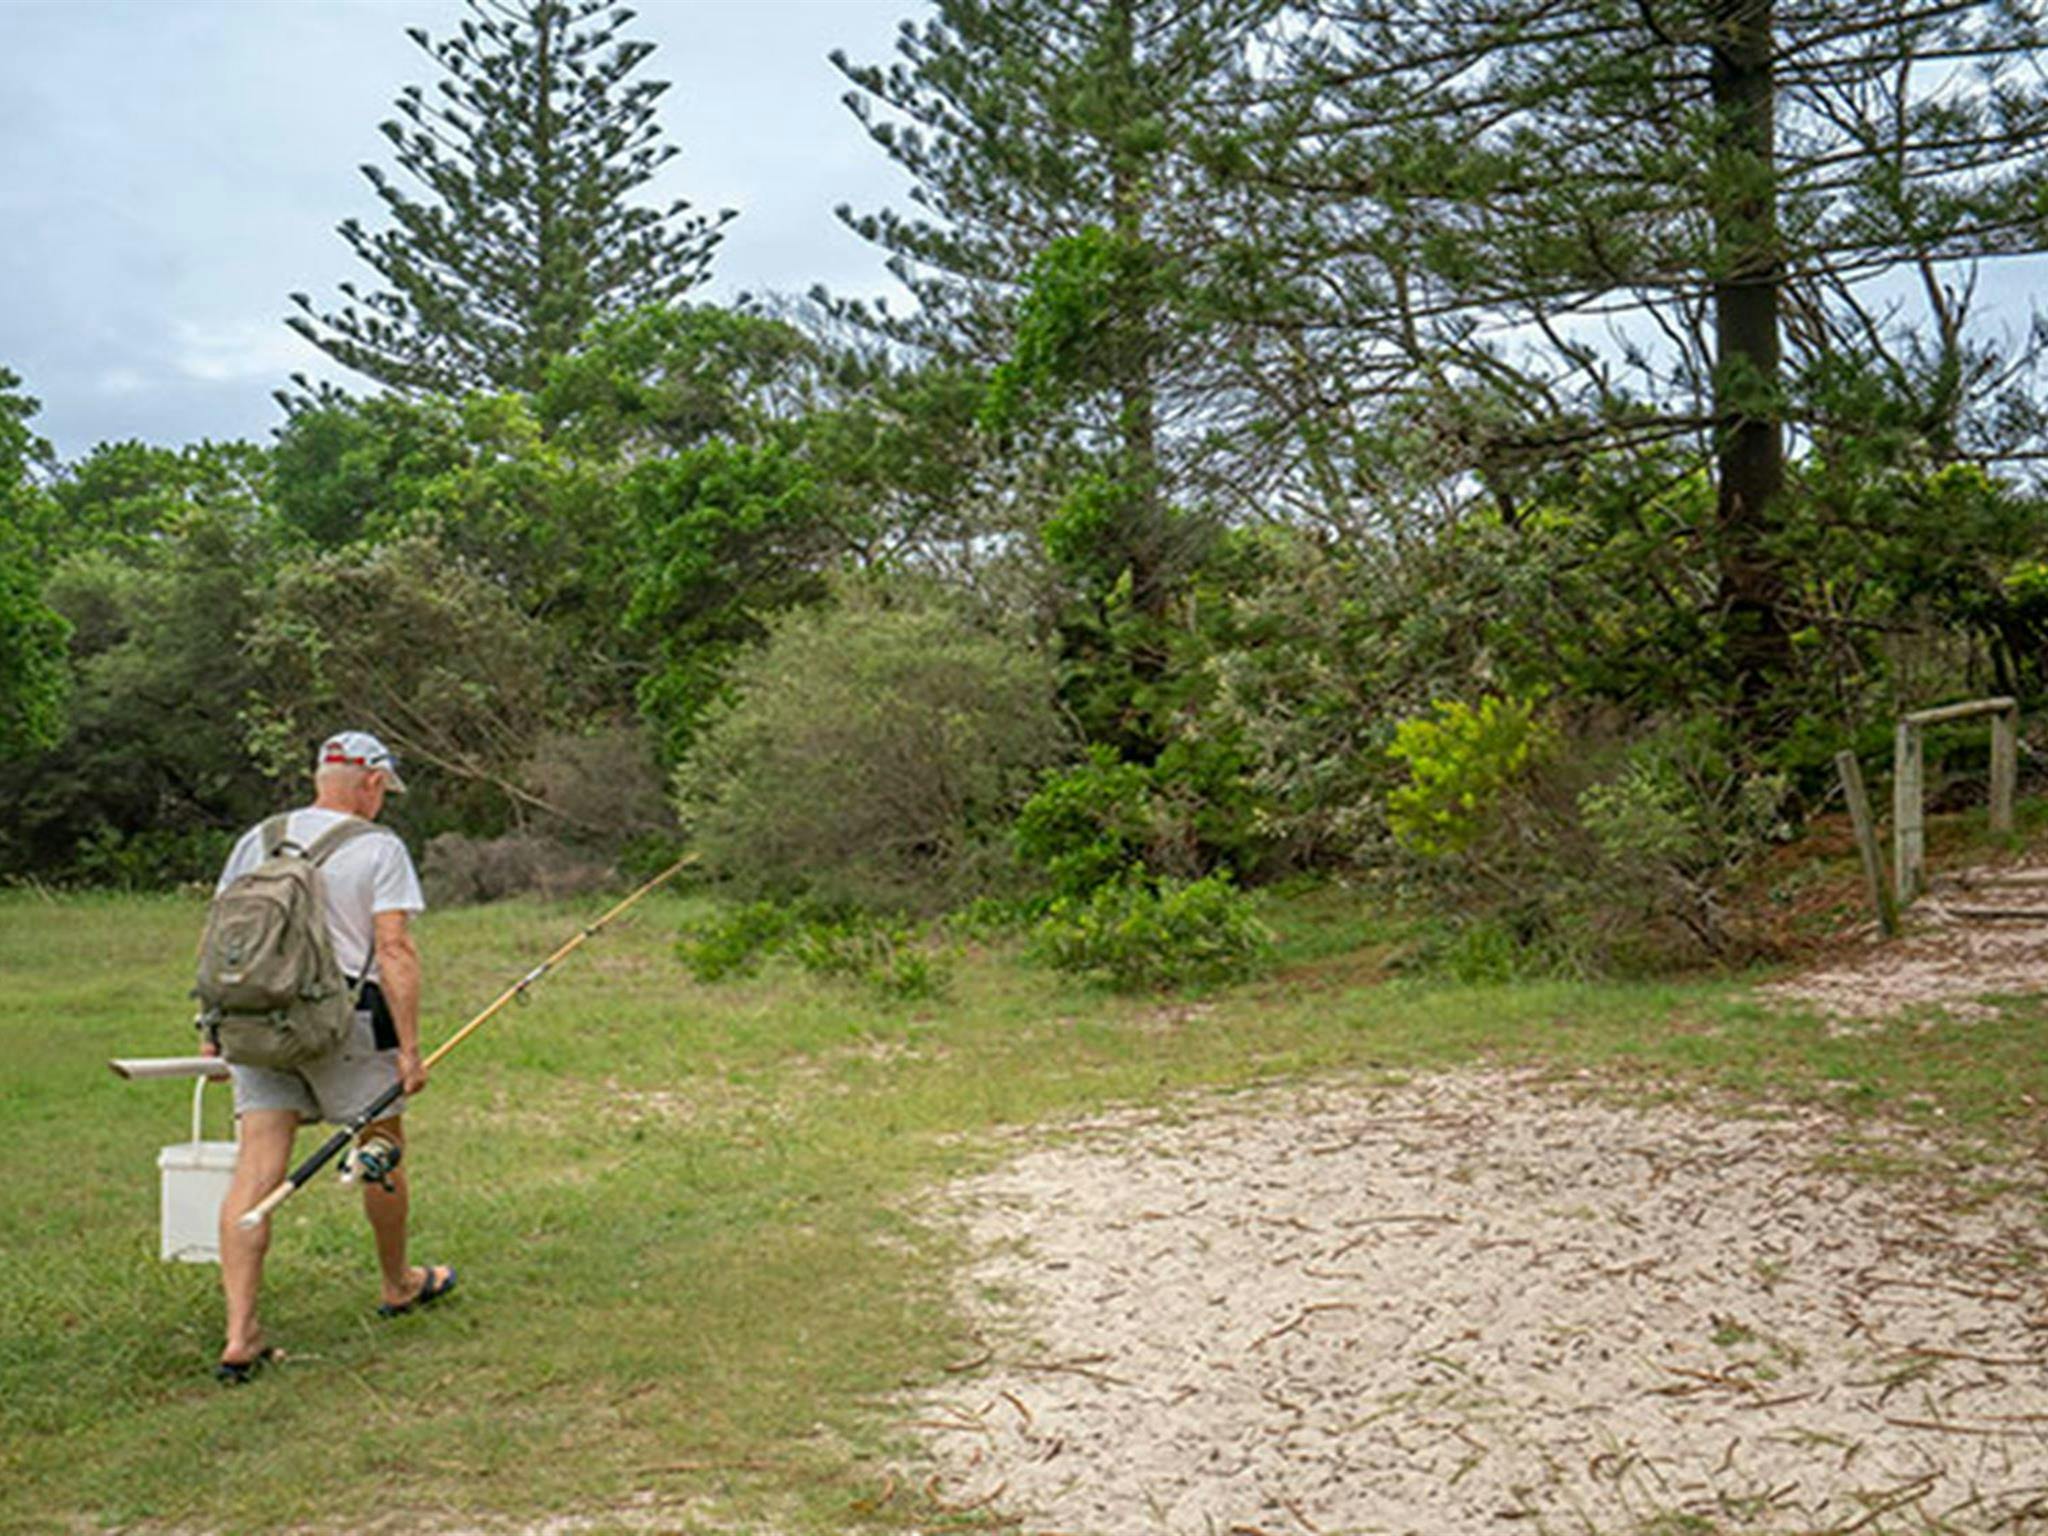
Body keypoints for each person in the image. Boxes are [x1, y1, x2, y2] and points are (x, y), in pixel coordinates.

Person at [204, 730, 454, 1383]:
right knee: (381, 1149)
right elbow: (395, 951)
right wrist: (409, 1049)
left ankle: (240, 1334)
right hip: (344, 1022)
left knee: (256, 1171)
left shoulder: (256, 839)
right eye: (384, 790)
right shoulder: (379, 848)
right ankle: (398, 1283)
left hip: (254, 1022)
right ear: (372, 783)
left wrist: (210, 1024)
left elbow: (221, 939)